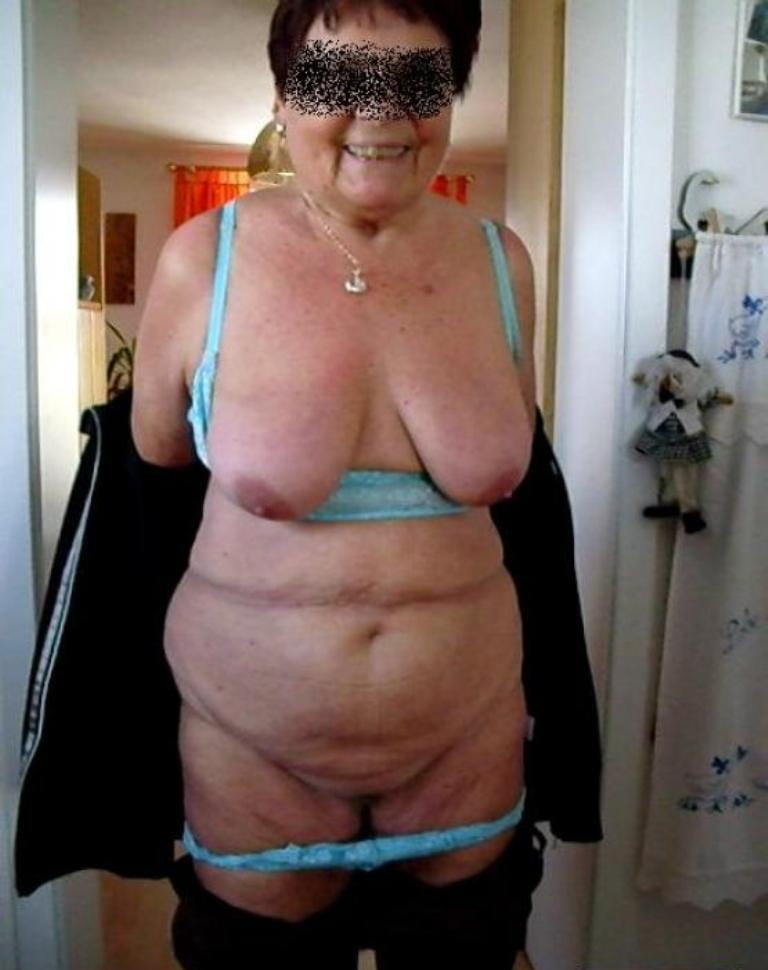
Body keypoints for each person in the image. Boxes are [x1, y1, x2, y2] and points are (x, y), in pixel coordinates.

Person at [131, 1, 542, 966]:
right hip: (253, 766)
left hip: (468, 756)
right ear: (284, 97)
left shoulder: (503, 263)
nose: (382, 114)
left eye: (419, 81)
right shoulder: (203, 259)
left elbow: (529, 487)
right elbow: (151, 469)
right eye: (337, 81)